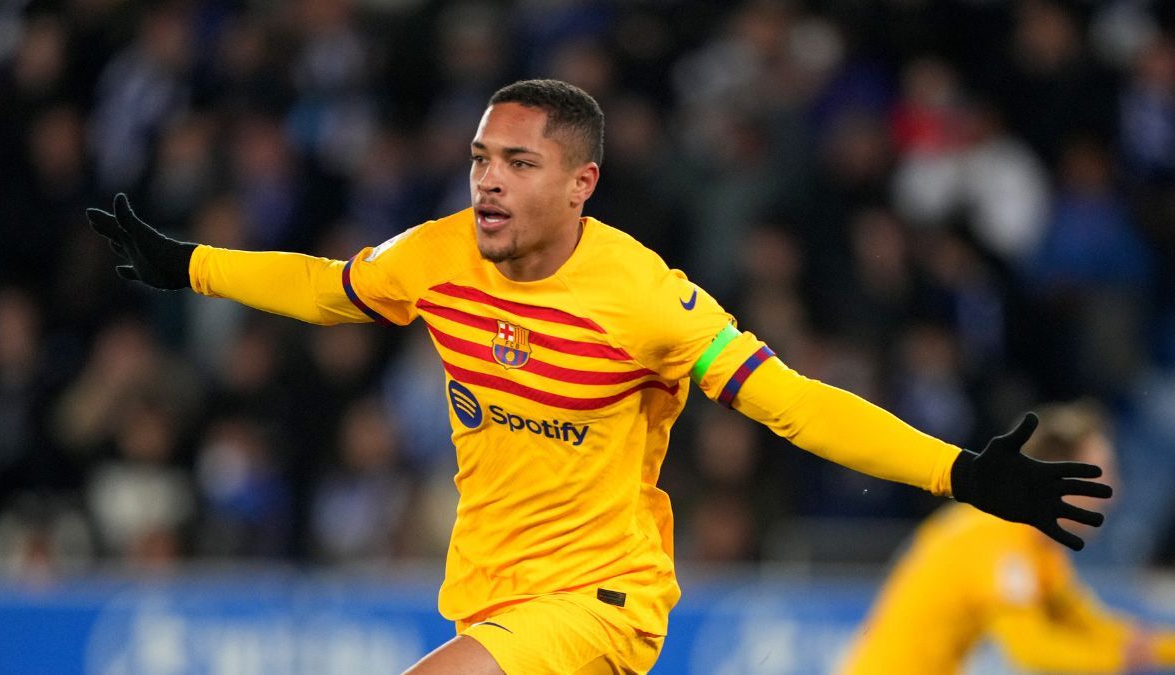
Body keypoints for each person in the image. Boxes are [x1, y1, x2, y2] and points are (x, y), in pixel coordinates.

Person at [88, 79, 1112, 674]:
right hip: (489, 594)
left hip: (600, 601)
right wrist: (186, 263)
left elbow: (795, 405)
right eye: (482, 156)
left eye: (518, 163)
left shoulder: (645, 300)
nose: (488, 178)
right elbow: (331, 288)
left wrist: (960, 473)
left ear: (580, 183)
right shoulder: (439, 255)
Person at [839, 400, 1175, 674]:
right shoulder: (998, 536)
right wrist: (1123, 659)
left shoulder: (1034, 544)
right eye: (1102, 476)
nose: (1114, 493)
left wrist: (1166, 649)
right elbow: (1030, 647)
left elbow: (1085, 624)